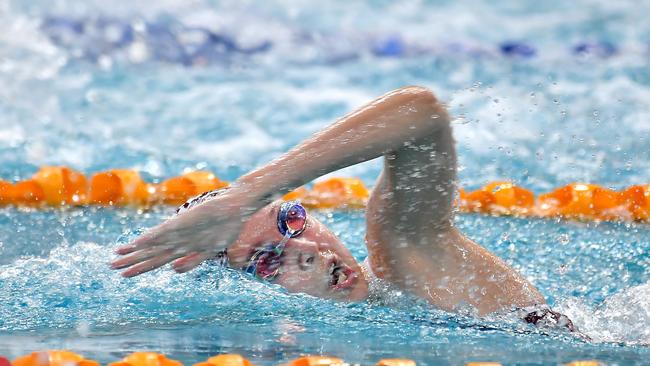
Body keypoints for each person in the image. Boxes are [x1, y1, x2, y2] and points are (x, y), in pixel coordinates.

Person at [111, 86, 575, 330]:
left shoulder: (407, 256)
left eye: (290, 221)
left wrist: (243, 197)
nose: (308, 250)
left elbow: (422, 112)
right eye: (268, 261)